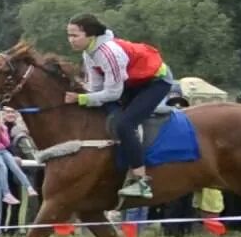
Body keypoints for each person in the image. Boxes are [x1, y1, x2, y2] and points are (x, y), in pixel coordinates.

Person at [64, 13, 173, 199]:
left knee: (125, 124)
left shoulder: (108, 52)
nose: (70, 40)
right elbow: (97, 89)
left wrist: (81, 99)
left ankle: (141, 181)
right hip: (135, 82)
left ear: (90, 35)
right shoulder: (88, 53)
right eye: (69, 35)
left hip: (156, 81)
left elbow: (112, 94)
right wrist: (85, 97)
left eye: (75, 36)